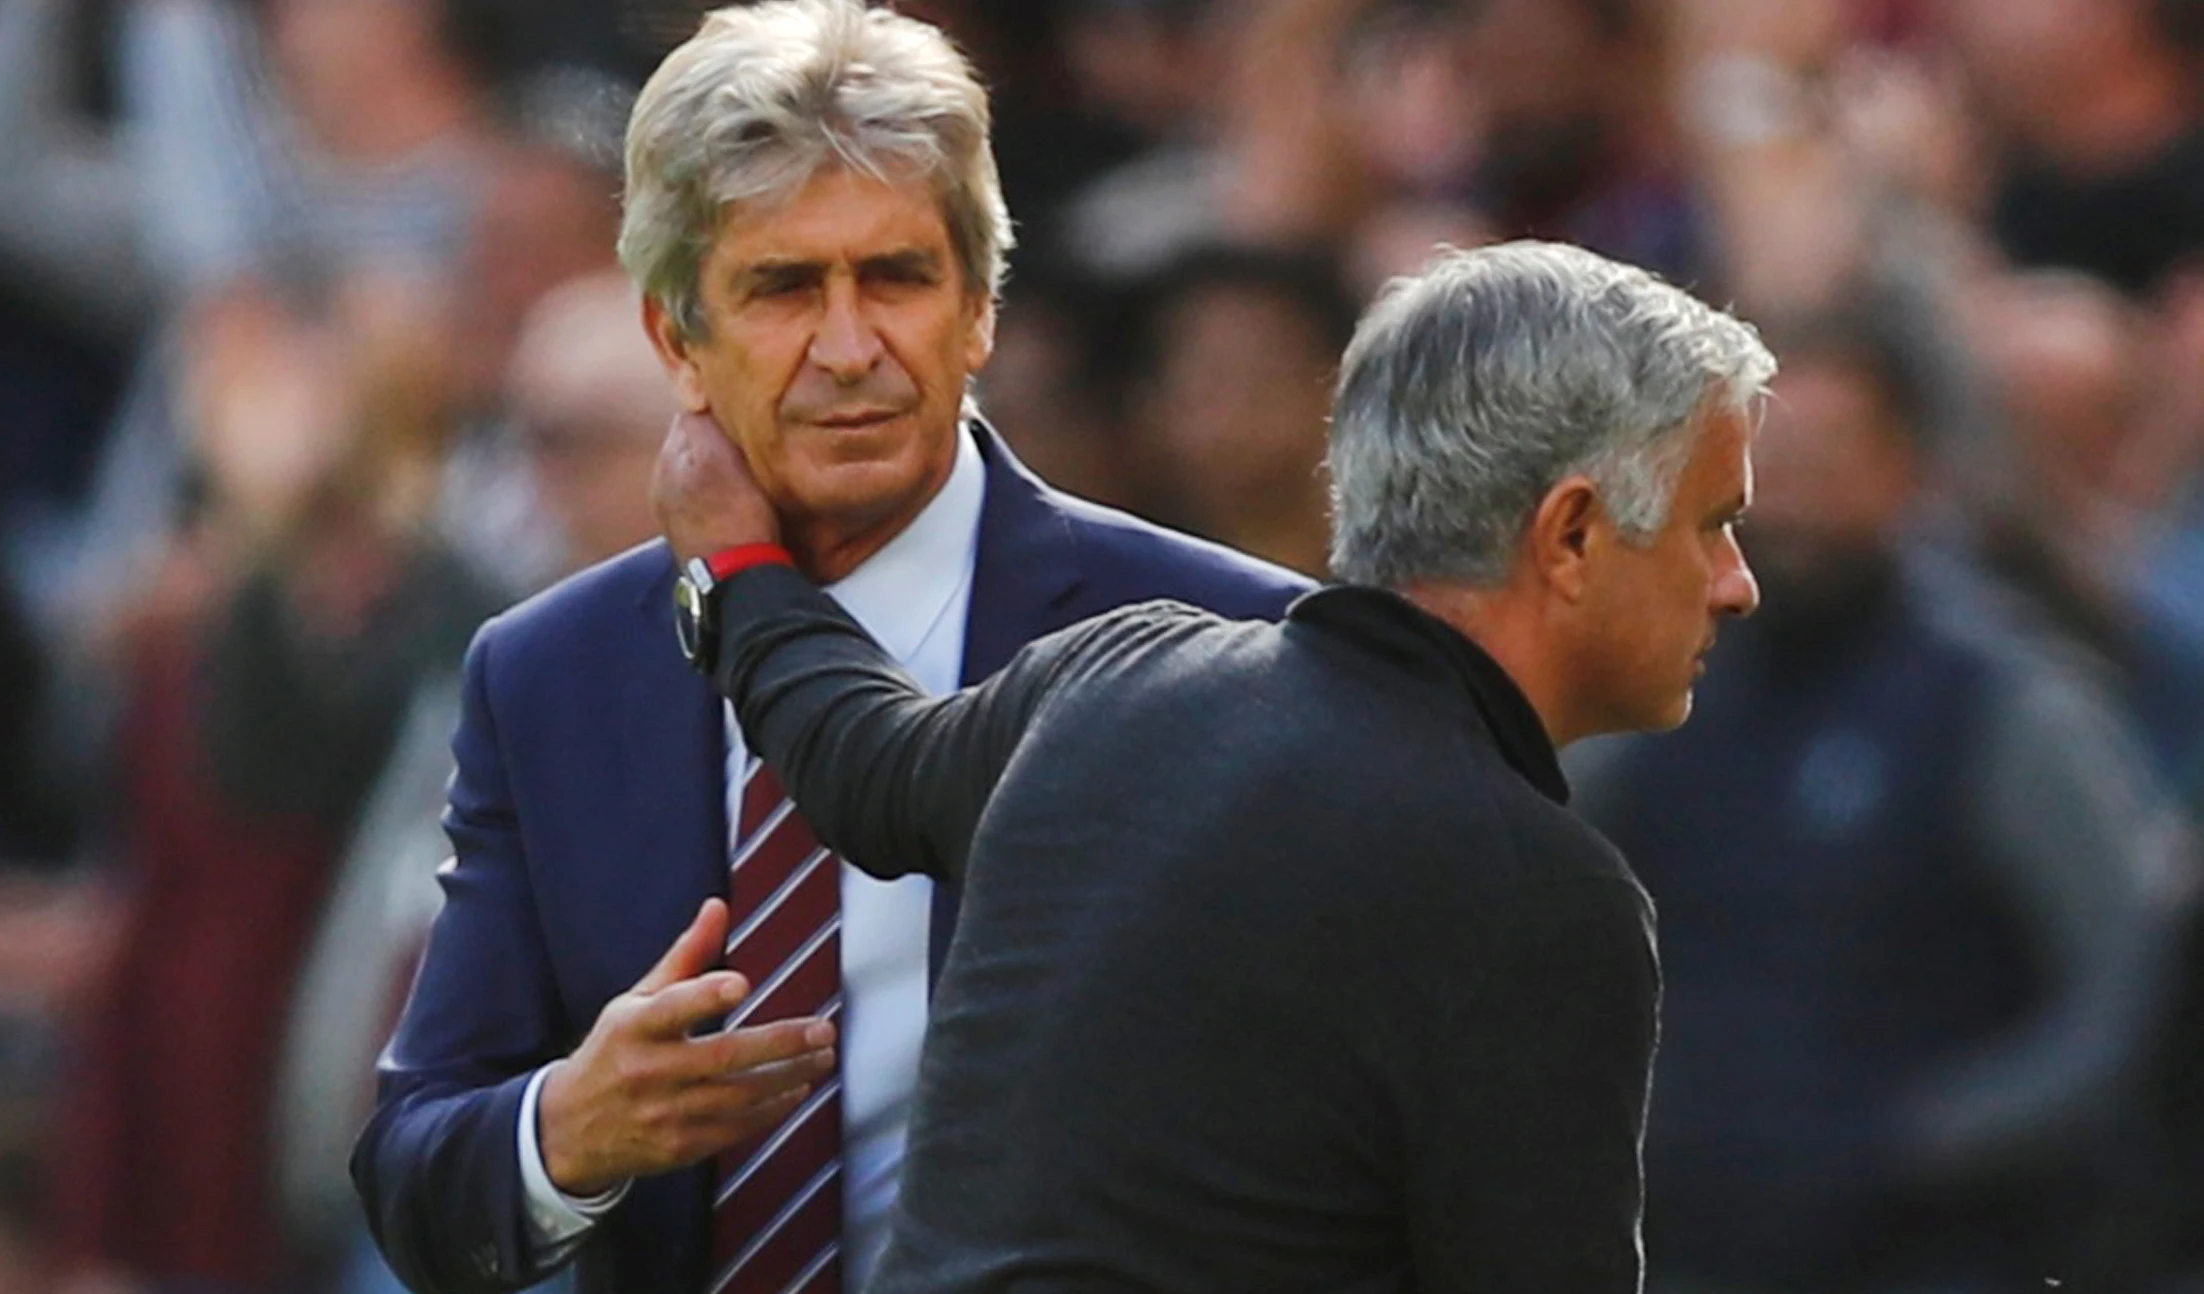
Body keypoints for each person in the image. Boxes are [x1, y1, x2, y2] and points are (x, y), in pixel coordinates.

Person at [348, 3, 1308, 1293]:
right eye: (784, 287)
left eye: (898, 278)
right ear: (676, 340)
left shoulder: (1228, 640)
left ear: (978, 312)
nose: (850, 348)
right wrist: (566, 1132)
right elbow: (413, 1169)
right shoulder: (551, 675)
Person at [651, 239, 1775, 1293]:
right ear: (1570, 534)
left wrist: (740, 566)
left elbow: (857, 765)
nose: (1735, 582)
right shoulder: (1544, 898)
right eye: (1710, 522)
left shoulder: (1113, 679)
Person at [1572, 316, 2194, 1293]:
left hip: (1931, 1243)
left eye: (1830, 460)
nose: (1794, 505)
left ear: (1908, 471)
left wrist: (1927, 1138)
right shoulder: (1649, 697)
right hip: (1681, 1229)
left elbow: (2131, 986)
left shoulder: (2006, 706)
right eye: (1763, 470)